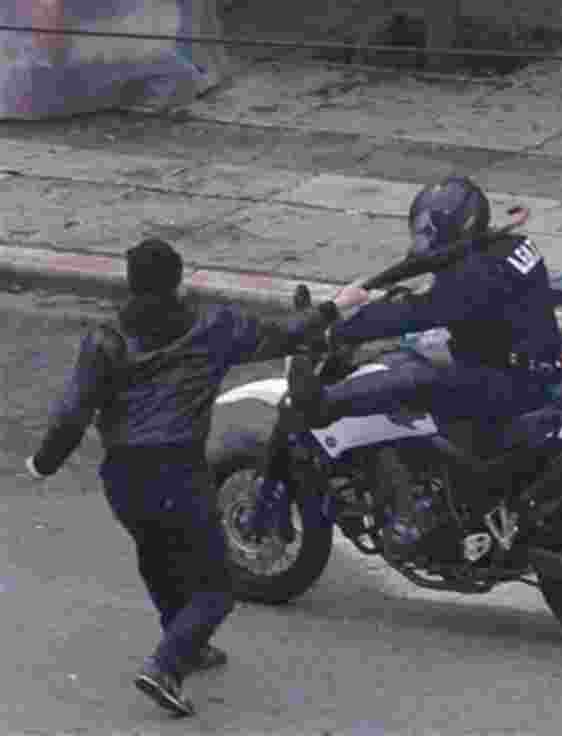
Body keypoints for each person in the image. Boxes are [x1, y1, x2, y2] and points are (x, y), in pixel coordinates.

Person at [23, 239, 340, 717]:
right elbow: (283, 335)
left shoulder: (106, 339)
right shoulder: (212, 327)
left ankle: (186, 641)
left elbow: (72, 414)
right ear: (178, 278)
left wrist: (42, 464)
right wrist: (333, 309)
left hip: (123, 477)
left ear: (130, 282)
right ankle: (167, 666)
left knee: (156, 554)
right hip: (178, 470)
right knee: (216, 587)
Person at [273, 176, 562, 549]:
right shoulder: (506, 246)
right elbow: (423, 265)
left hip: (509, 382)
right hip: (529, 364)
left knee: (410, 378)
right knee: (418, 354)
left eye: (431, 232)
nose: (424, 239)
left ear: (456, 227)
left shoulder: (473, 275)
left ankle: (322, 405)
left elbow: (414, 312)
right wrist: (369, 288)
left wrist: (338, 332)